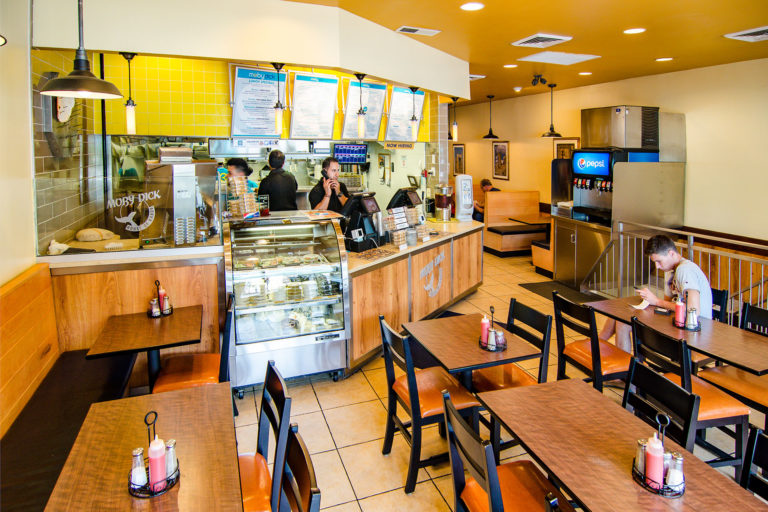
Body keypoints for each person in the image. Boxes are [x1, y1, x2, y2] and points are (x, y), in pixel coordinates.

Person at [599, 234, 713, 352]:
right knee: (620, 316)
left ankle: (620, 364)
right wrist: (652, 300)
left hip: (695, 330)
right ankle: (596, 346)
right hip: (677, 321)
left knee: (623, 324)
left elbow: (693, 310)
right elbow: (668, 302)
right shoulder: (671, 270)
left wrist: (656, 301)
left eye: (659, 261)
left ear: (671, 253)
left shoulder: (685, 270)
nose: (657, 267)